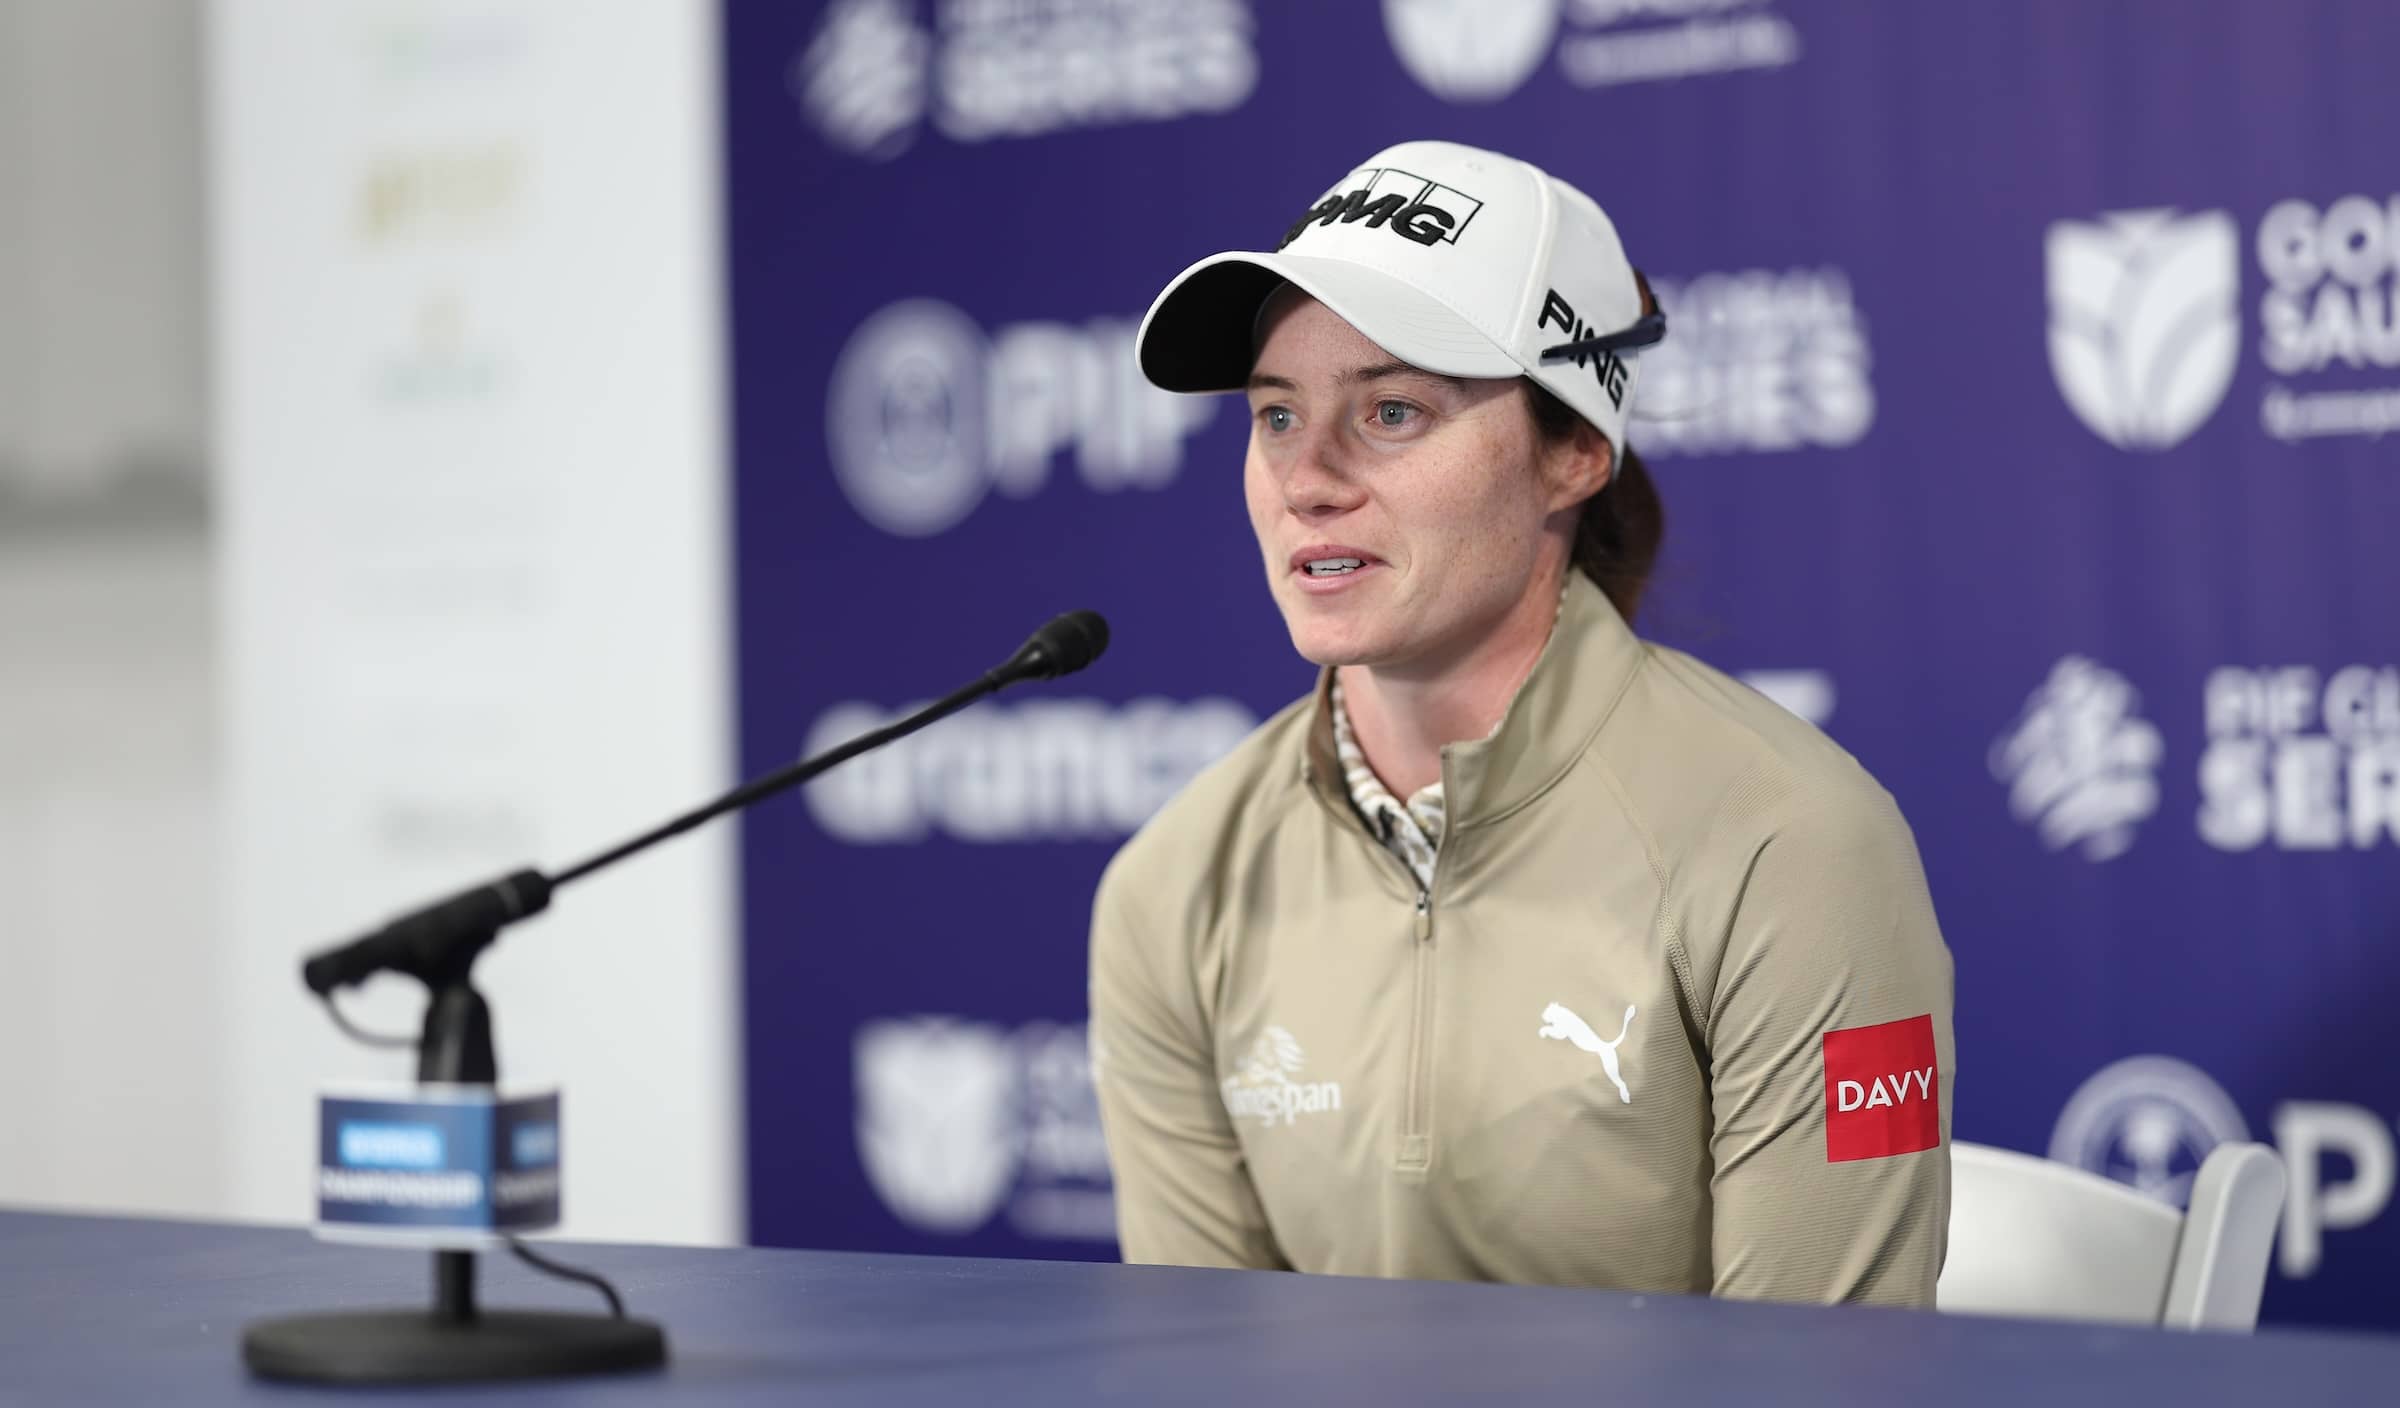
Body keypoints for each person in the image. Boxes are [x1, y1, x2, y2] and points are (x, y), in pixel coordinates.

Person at [1087, 140, 1954, 1306]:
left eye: (1392, 409)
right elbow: (1196, 1368)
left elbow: (1825, 1383)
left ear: (1576, 453)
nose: (1308, 480)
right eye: (1277, 415)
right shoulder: (1174, 885)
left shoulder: (1793, 846)